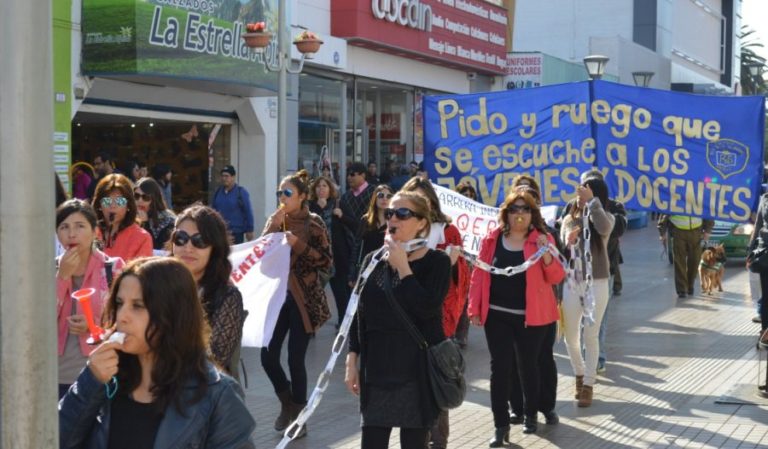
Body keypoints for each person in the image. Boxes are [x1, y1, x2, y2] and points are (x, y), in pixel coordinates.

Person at [58, 257, 256, 448]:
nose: (122, 316)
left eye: (138, 306)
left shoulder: (218, 394)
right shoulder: (105, 380)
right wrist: (90, 381)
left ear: (172, 315)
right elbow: (54, 441)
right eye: (119, 303)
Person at [345, 191, 451, 449]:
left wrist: (404, 269)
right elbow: (360, 314)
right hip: (377, 370)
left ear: (422, 223)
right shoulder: (373, 260)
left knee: (413, 444)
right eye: (390, 213)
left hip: (415, 372)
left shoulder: (437, 262)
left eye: (402, 213)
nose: (393, 218)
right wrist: (352, 359)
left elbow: (427, 309)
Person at [468, 190, 563, 443]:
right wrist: (474, 308)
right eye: (514, 209)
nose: (519, 214)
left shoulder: (543, 240)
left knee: (527, 366)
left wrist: (545, 256)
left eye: (524, 209)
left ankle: (530, 414)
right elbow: (479, 275)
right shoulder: (492, 239)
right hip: (497, 316)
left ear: (532, 214)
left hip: (530, 317)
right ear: (506, 214)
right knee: (499, 369)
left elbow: (556, 276)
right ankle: (500, 427)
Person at [261, 170, 332, 436]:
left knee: (295, 358)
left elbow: (326, 260)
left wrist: (298, 244)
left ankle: (299, 417)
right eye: (280, 192)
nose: (282, 197)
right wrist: (271, 228)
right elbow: (261, 255)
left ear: (302, 196)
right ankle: (287, 404)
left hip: (304, 300)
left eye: (287, 193)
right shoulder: (276, 220)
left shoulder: (314, 224)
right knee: (267, 356)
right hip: (278, 298)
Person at [401, 177, 469, 449]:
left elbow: (460, 277)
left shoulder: (447, 231)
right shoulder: (398, 230)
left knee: (435, 376)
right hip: (405, 316)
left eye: (421, 200)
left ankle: (438, 440)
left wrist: (450, 264)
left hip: (438, 315)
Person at [508, 175, 565, 428]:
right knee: (513, 361)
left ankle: (546, 407)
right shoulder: (501, 234)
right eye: (518, 197)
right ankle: (517, 408)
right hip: (510, 309)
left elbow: (558, 273)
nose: (521, 209)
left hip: (541, 309)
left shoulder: (547, 233)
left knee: (542, 359)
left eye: (529, 194)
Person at [56, 199, 125, 398]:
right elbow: (37, 322)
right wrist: (62, 277)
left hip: (101, 373)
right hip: (55, 374)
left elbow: (126, 324)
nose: (71, 234)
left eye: (80, 226)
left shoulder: (113, 268)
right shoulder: (50, 269)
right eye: (64, 227)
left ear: (95, 231)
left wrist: (93, 326)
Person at [172, 205, 246, 379]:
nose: (188, 248)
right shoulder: (155, 283)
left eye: (200, 241)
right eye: (181, 238)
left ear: (215, 247)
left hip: (202, 395)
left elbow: (214, 361)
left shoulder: (227, 296)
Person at [560, 176, 615, 408]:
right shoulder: (569, 218)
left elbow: (603, 227)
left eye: (587, 192)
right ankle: (579, 374)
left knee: (590, 335)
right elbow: (563, 239)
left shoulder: (606, 217)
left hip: (598, 282)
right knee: (570, 335)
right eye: (581, 193)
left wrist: (593, 204)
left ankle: (589, 385)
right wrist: (568, 238)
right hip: (572, 281)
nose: (580, 196)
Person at [567, 169, 627, 374]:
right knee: (573, 328)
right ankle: (582, 366)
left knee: (596, 320)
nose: (582, 192)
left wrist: (594, 206)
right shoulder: (572, 208)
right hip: (575, 277)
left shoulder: (613, 208)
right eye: (582, 187)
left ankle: (594, 360)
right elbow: (564, 231)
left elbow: (611, 228)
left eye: (588, 188)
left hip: (603, 272)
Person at [309, 175, 355, 329]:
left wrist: (341, 215)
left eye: (324, 186)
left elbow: (354, 224)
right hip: (316, 257)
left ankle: (343, 322)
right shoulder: (310, 206)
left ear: (331, 190)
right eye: (318, 186)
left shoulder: (338, 204)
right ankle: (311, 323)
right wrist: (317, 209)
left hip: (338, 256)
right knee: (313, 292)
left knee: (341, 292)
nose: (321, 189)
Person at [92, 173, 153, 262]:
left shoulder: (142, 238)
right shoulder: (88, 234)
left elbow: (141, 274)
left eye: (120, 201)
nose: (113, 205)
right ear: (99, 205)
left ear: (129, 205)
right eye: (106, 201)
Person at [658, 214, 714, 298]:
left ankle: (689, 285)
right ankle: (682, 290)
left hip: (696, 231)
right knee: (679, 261)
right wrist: (662, 232)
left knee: (695, 260)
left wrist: (707, 230)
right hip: (678, 231)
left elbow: (706, 208)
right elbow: (665, 209)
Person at [348, 184, 394, 285]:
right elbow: (357, 247)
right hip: (366, 268)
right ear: (375, 198)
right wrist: (352, 274)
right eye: (381, 195)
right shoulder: (366, 220)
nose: (384, 199)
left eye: (389, 196)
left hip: (386, 270)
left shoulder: (394, 221)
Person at [453, 181, 477, 350]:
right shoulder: (452, 214)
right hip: (454, 260)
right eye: (464, 195)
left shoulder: (477, 214)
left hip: (469, 262)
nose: (467, 198)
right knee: (453, 297)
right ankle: (451, 332)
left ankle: (462, 335)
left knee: (465, 298)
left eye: (470, 196)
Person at [212, 165, 254, 244]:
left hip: (236, 233)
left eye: (227, 176)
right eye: (223, 176)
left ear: (233, 177)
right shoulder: (218, 192)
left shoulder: (240, 192)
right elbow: (213, 211)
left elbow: (248, 211)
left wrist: (249, 230)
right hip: (220, 232)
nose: (224, 178)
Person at [135, 177, 176, 253]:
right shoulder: (131, 216)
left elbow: (158, 249)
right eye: (136, 196)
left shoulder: (168, 220)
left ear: (154, 199)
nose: (140, 201)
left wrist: (145, 223)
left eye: (145, 197)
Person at [748, 193, 768, 340]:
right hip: (765, 253)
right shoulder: (765, 198)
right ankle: (765, 331)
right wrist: (750, 251)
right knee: (766, 296)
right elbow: (758, 225)